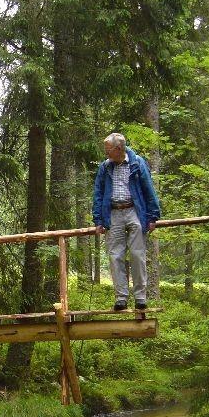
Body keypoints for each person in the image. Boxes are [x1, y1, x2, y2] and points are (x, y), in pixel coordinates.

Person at [92, 132, 161, 311]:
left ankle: (140, 297)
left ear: (119, 149)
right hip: (113, 213)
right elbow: (98, 194)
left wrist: (153, 216)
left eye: (108, 150)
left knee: (138, 255)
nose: (106, 153)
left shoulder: (137, 163)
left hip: (135, 211)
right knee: (115, 256)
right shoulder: (105, 167)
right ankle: (121, 298)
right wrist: (98, 219)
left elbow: (148, 188)